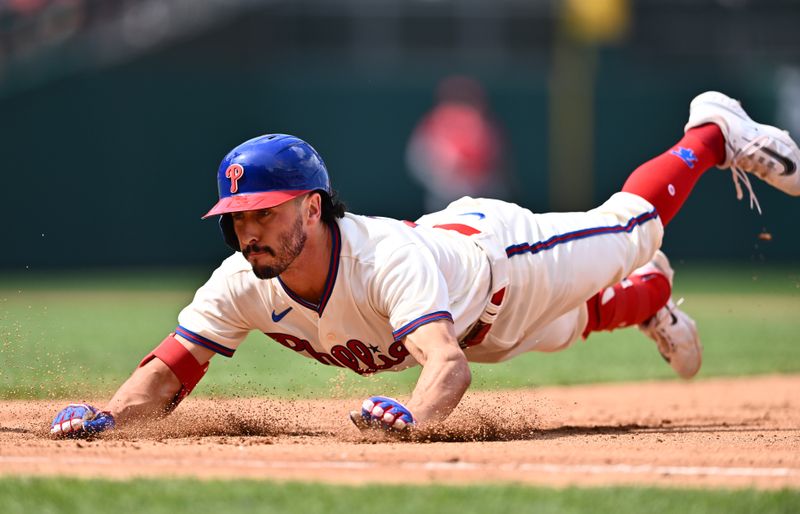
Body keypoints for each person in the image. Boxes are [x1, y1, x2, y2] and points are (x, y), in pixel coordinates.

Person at [51, 91, 800, 437]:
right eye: (238, 218)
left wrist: (416, 416)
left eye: (266, 213)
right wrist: (110, 417)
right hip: (481, 321)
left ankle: (709, 129)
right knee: (570, 328)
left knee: (631, 227)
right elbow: (171, 367)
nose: (250, 231)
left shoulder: (386, 260)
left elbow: (446, 368)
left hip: (499, 259)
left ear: (313, 207)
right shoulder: (243, 281)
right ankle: (653, 299)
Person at [406, 75, 511, 211]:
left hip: (483, 193)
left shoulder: (485, 124)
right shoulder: (435, 123)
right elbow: (418, 160)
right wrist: (443, 181)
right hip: (446, 194)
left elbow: (498, 161)